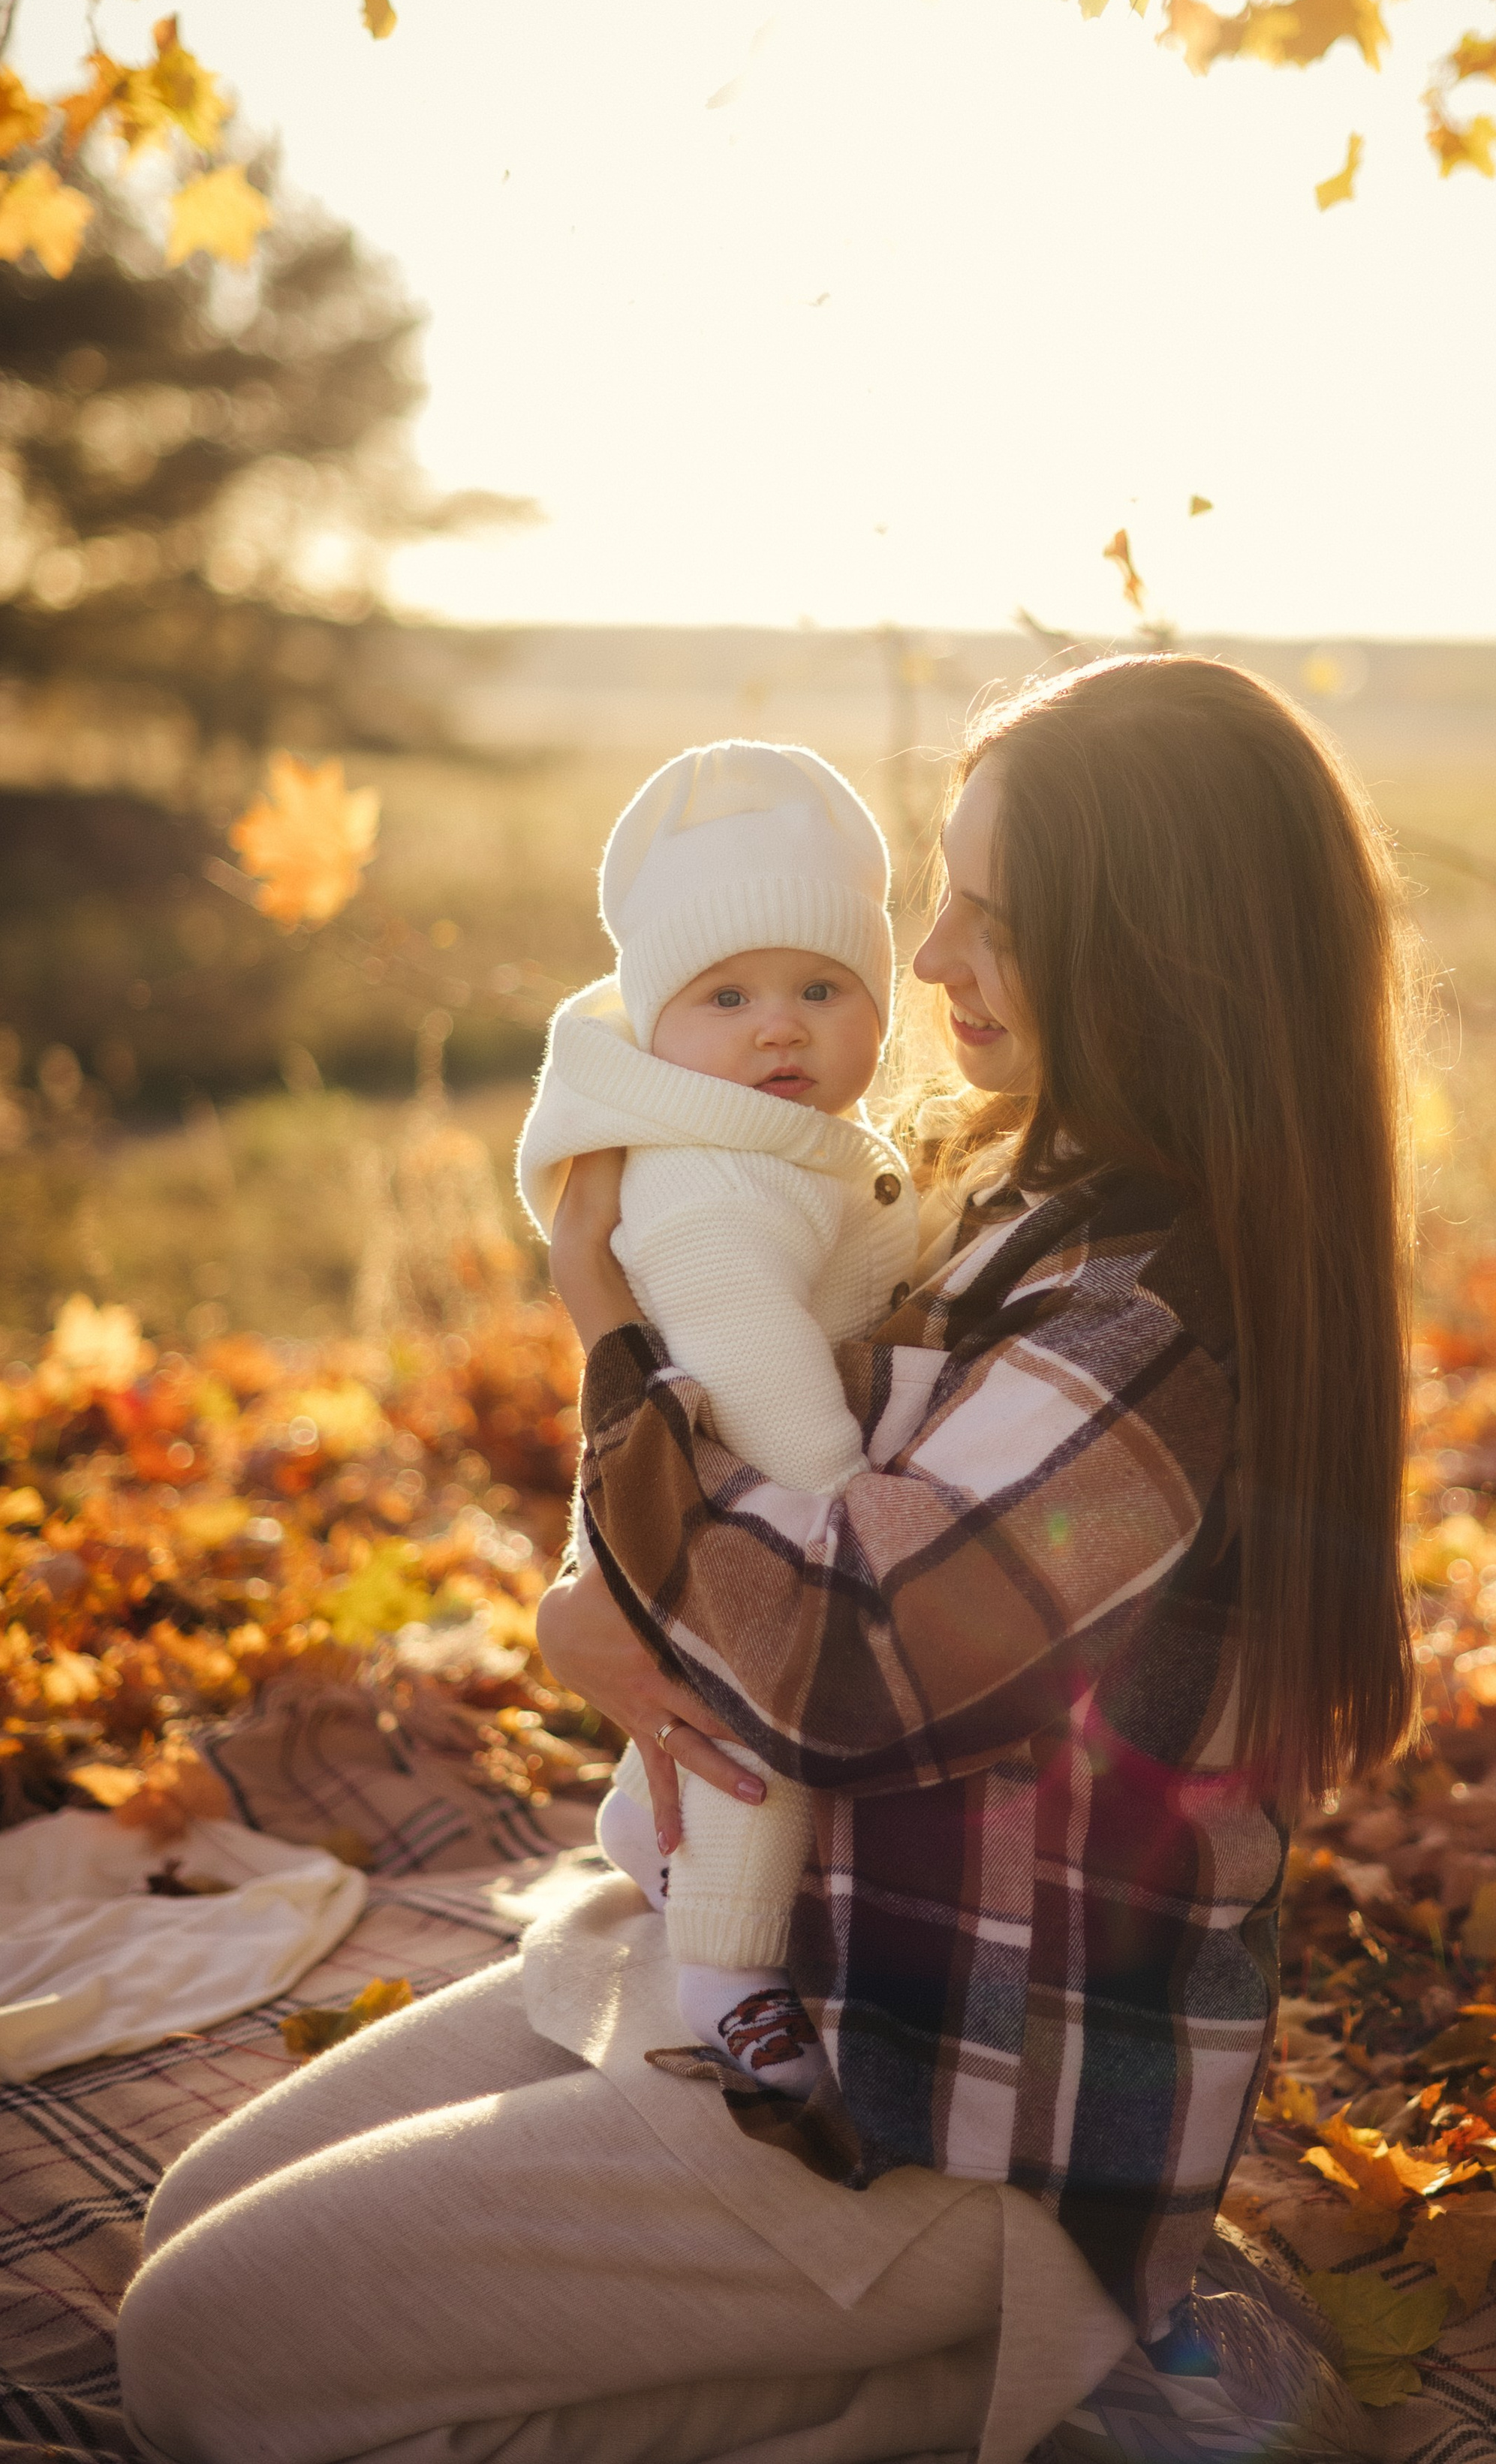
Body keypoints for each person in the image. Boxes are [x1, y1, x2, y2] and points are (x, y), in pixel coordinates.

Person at [115, 653, 1416, 2464]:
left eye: (993, 912)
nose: (933, 952)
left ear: (1151, 950)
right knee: (188, 2220)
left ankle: (985, 2366)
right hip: (788, 1967)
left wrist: (603, 1330)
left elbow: (846, 1651)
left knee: (203, 2357)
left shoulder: (1160, 1341)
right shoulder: (1015, 1195)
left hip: (939, 2112)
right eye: (940, 888)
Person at [517, 739, 917, 2093]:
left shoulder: (785, 1142)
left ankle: (643, 1831)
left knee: (718, 1721)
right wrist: (842, 1489)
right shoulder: (702, 1187)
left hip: (720, 1481)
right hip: (749, 1498)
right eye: (727, 996)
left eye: (822, 987)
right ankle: (731, 1967)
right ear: (657, 1024)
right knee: (757, 1733)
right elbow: (749, 1352)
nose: (780, 1027)